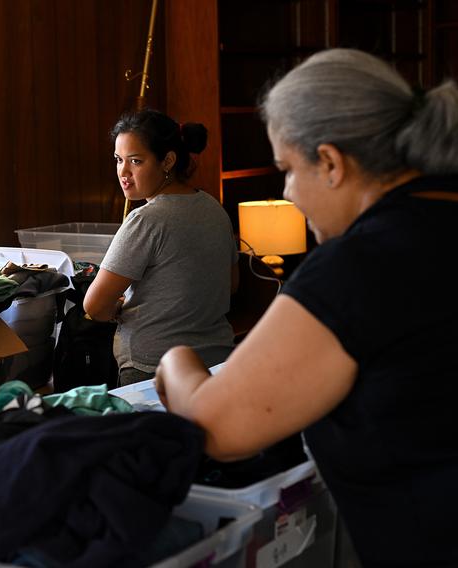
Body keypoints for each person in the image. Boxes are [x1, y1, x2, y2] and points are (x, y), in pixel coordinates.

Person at [155, 48, 458, 567]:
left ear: (332, 162)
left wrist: (174, 362)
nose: (289, 194)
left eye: (288, 170)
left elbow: (218, 428)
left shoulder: (361, 265)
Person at [84, 108, 238, 387]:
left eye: (136, 161)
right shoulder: (214, 208)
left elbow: (94, 306)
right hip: (218, 364)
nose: (124, 172)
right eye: (119, 160)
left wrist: (116, 310)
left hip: (154, 370)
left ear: (167, 160)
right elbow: (231, 286)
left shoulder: (146, 219)